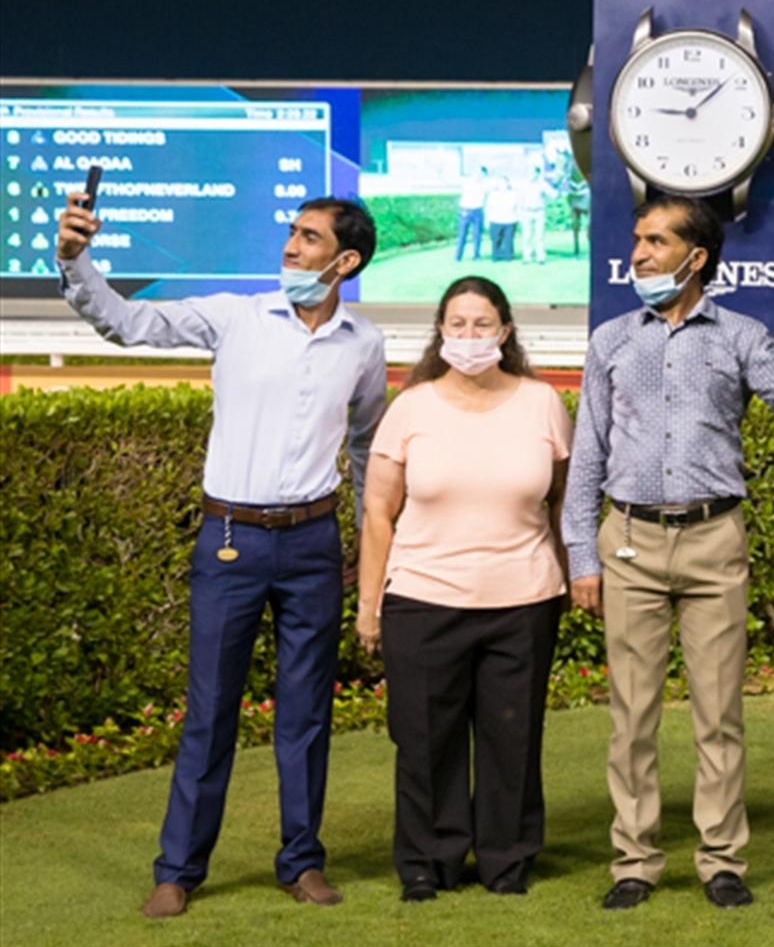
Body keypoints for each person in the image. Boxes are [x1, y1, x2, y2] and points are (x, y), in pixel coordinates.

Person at [55, 192, 386, 918]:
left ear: (346, 260)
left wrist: (366, 543)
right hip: (230, 541)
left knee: (306, 715)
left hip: (313, 545)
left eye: (308, 237)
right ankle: (178, 870)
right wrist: (76, 259)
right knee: (209, 711)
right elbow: (129, 323)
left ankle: (301, 862)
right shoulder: (236, 316)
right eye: (292, 233)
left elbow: (366, 448)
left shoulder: (364, 344)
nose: (291, 247)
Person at [565, 195, 774, 913]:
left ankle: (721, 860)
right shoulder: (611, 340)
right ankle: (634, 861)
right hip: (629, 542)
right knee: (631, 716)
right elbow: (587, 457)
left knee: (719, 715)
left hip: (713, 541)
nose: (637, 253)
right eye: (637, 239)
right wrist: (582, 553)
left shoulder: (741, 337)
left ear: (696, 258)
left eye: (653, 241)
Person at [354, 276, 572, 902]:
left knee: (513, 739)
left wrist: (575, 574)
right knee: (425, 739)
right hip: (423, 600)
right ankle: (429, 860)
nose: (470, 336)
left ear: (505, 331)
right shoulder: (412, 408)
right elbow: (378, 513)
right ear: (441, 332)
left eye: (482, 324)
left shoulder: (541, 405)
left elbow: (560, 504)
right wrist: (370, 606)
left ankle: (507, 859)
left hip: (523, 601)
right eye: (457, 324)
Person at [484, 170, 518, 263]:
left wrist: (518, 218)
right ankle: (496, 256)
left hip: (510, 220)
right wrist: (487, 221)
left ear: (508, 183)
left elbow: (517, 206)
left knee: (509, 240)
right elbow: (488, 208)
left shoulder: (513, 194)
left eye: (504, 183)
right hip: (495, 220)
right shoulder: (493, 194)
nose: (503, 185)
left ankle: (508, 256)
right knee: (496, 239)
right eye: (501, 183)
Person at [456, 168, 488, 261]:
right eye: (479, 173)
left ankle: (476, 255)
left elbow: (484, 199)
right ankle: (458, 256)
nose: (480, 176)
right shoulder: (467, 183)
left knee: (477, 234)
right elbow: (463, 197)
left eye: (482, 175)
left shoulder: (484, 185)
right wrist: (463, 210)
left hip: (478, 210)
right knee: (462, 234)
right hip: (466, 210)